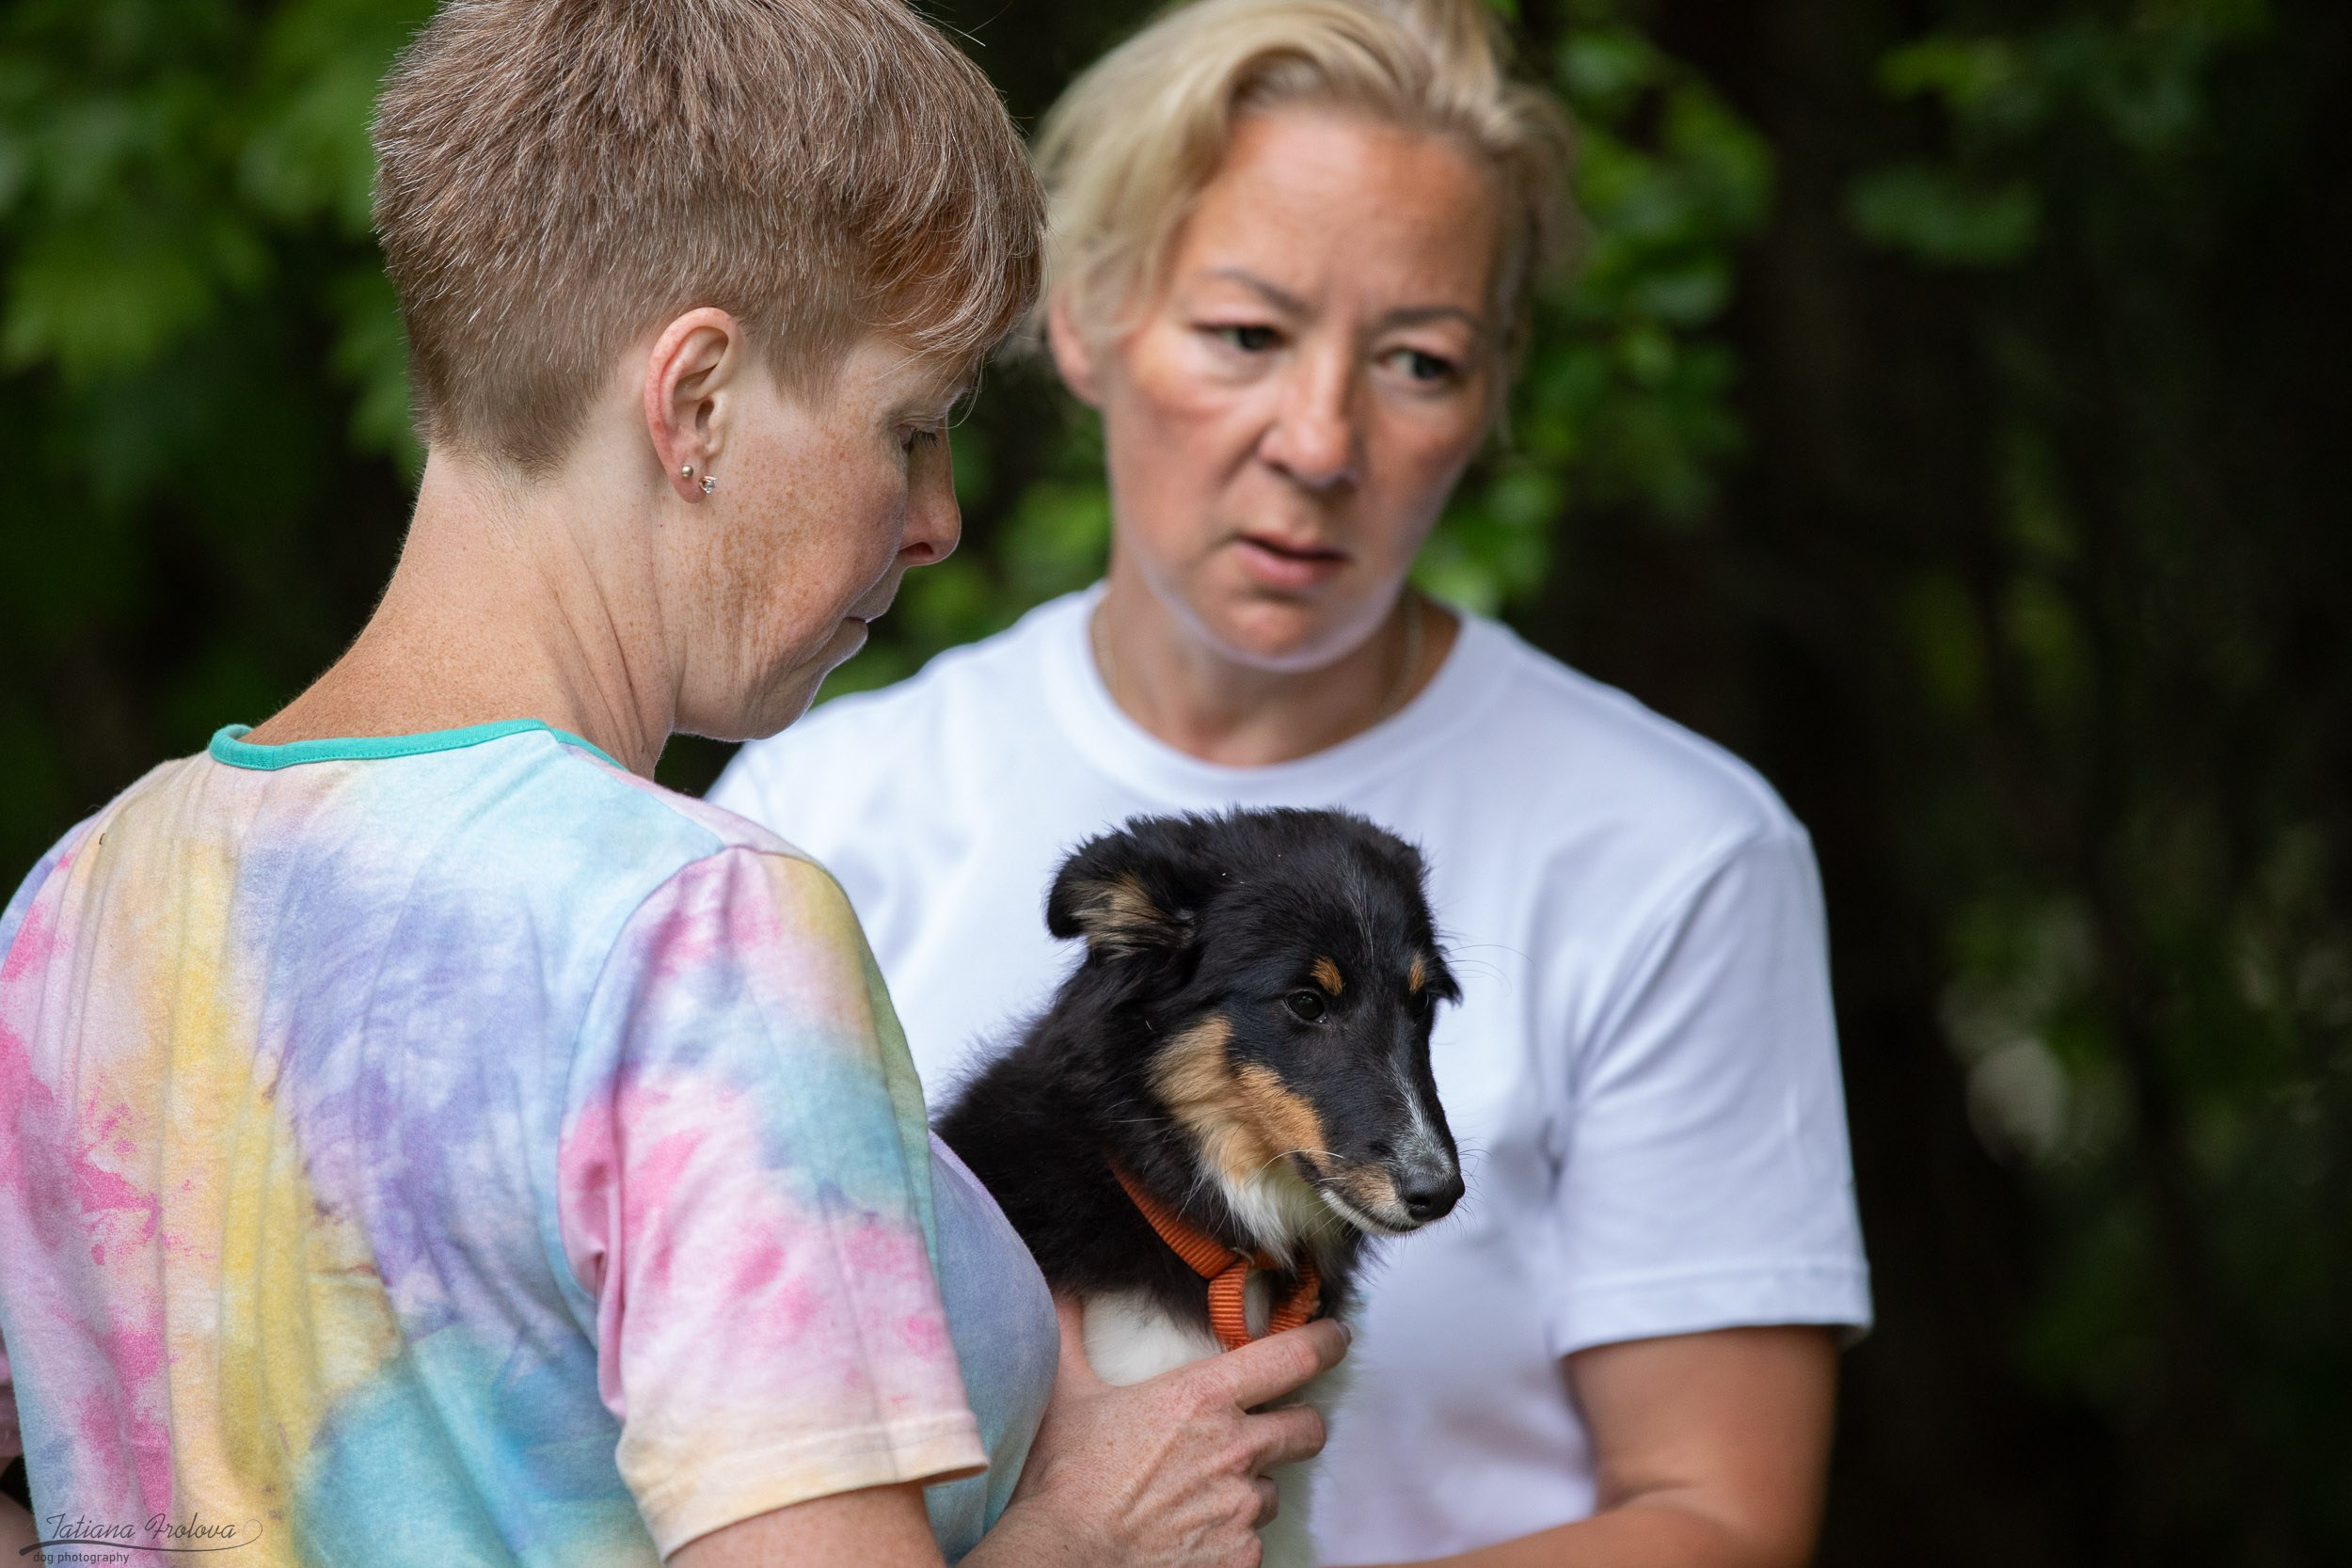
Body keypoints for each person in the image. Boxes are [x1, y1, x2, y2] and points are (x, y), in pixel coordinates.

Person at [0, 2, 1344, 1565]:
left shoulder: (78, 901)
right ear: (695, 398)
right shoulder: (693, 932)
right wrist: (1082, 1537)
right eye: (910, 429)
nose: (939, 520)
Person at [709, 0, 1872, 1563]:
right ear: (1088, 320)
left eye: (1418, 359)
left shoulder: (1677, 850)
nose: (1320, 440)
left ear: (1497, 385)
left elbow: (1719, 1518)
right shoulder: (812, 819)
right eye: (1246, 334)